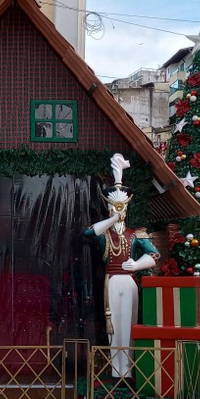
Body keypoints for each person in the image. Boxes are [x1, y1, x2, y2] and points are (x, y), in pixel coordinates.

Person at [84, 154, 159, 379]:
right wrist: (112, 219)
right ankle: (117, 369)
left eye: (121, 207)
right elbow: (88, 232)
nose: (118, 211)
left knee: (128, 323)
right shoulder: (104, 233)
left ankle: (128, 368)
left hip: (129, 280)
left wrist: (136, 264)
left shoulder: (135, 234)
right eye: (114, 207)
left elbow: (154, 255)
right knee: (114, 326)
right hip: (112, 281)